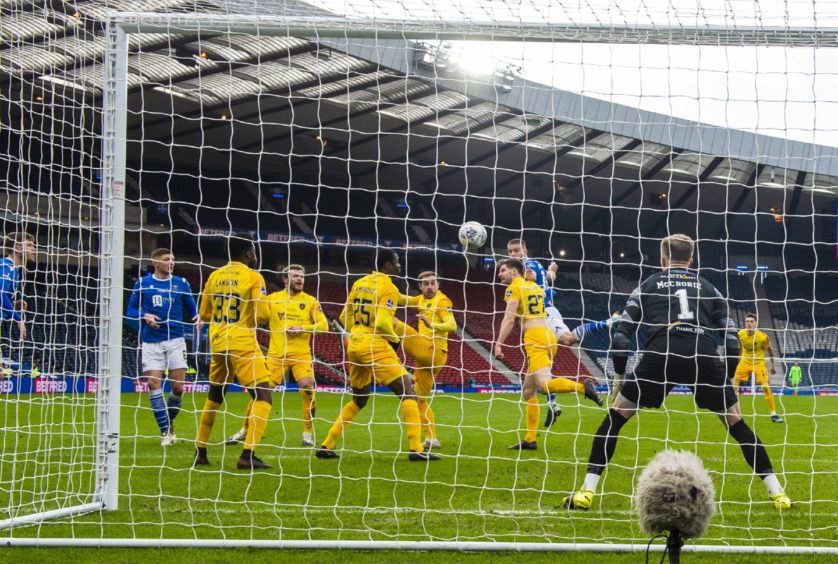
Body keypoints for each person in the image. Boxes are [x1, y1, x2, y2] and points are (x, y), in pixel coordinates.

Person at [563, 234, 791, 511]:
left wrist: (620, 378)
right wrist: (728, 380)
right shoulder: (710, 288)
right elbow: (732, 340)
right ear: (691, 259)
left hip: (661, 354)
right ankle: (778, 493)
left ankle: (586, 492)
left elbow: (622, 337)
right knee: (737, 425)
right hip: (702, 356)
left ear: (663, 259)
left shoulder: (647, 285)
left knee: (614, 419)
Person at [316, 249, 440, 462]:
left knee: (359, 399)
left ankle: (326, 445)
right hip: (374, 344)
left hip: (355, 344)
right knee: (408, 393)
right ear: (387, 265)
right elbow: (383, 322)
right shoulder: (387, 286)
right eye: (397, 262)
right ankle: (416, 449)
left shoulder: (360, 283)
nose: (400, 266)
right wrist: (394, 339)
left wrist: (418, 299)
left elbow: (345, 316)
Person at [493, 258, 602, 450]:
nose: (499, 274)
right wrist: (549, 271)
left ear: (514, 272)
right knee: (528, 391)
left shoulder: (514, 288)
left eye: (502, 270)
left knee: (544, 385)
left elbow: (509, 318)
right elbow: (545, 284)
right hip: (548, 335)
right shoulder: (534, 286)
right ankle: (530, 439)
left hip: (535, 338)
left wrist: (498, 344)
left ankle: (583, 388)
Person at [507, 239, 616, 425]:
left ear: (525, 250)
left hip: (544, 314)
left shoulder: (526, 266)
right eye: (510, 252)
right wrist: (552, 271)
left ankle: (609, 322)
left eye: (516, 250)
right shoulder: (536, 264)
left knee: (567, 339)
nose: (513, 254)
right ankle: (552, 405)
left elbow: (530, 278)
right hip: (542, 314)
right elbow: (548, 277)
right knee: (537, 374)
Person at [193, 236, 273, 470]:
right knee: (263, 396)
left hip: (217, 341)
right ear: (248, 253)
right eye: (253, 250)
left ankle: (201, 451)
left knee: (215, 396)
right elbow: (263, 315)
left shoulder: (214, 275)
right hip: (242, 341)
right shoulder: (253, 276)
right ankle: (247, 455)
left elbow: (205, 313)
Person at [226, 264, 327, 447]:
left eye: (302, 276)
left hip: (301, 355)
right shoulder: (272, 299)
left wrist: (303, 328)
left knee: (307, 387)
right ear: (285, 279)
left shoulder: (311, 301)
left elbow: (324, 326)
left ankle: (307, 432)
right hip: (275, 356)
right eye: (295, 276)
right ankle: (244, 430)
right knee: (261, 394)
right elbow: (256, 314)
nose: (299, 279)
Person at [126, 248, 200, 445]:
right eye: (167, 259)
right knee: (153, 384)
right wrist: (145, 315)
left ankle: (170, 423)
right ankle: (165, 431)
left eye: (173, 259)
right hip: (151, 341)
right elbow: (130, 311)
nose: (171, 262)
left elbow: (193, 311)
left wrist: (198, 318)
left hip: (175, 339)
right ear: (155, 262)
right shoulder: (143, 284)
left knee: (177, 387)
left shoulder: (181, 283)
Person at [396, 271, 457, 450]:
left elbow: (452, 325)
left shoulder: (443, 301)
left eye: (433, 283)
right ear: (420, 286)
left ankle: (386, 354)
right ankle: (432, 438)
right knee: (418, 400)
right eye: (426, 284)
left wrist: (432, 325)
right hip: (425, 360)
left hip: (433, 350)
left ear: (438, 285)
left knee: (392, 322)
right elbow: (400, 299)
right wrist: (381, 285)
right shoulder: (420, 300)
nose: (430, 286)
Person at [733, 313, 782, 423]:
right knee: (733, 386)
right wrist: (739, 358)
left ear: (756, 323)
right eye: (747, 322)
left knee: (765, 387)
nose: (749, 323)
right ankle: (734, 414)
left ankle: (773, 414)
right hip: (745, 361)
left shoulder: (762, 337)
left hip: (759, 363)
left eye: (751, 321)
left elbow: (770, 350)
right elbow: (741, 346)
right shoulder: (740, 334)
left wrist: (773, 365)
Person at [0, 232, 35, 351]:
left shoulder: (14, 270)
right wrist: (18, 318)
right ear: (16, 247)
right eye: (29, 245)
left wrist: (14, 304)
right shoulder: (6, 266)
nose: (33, 249)